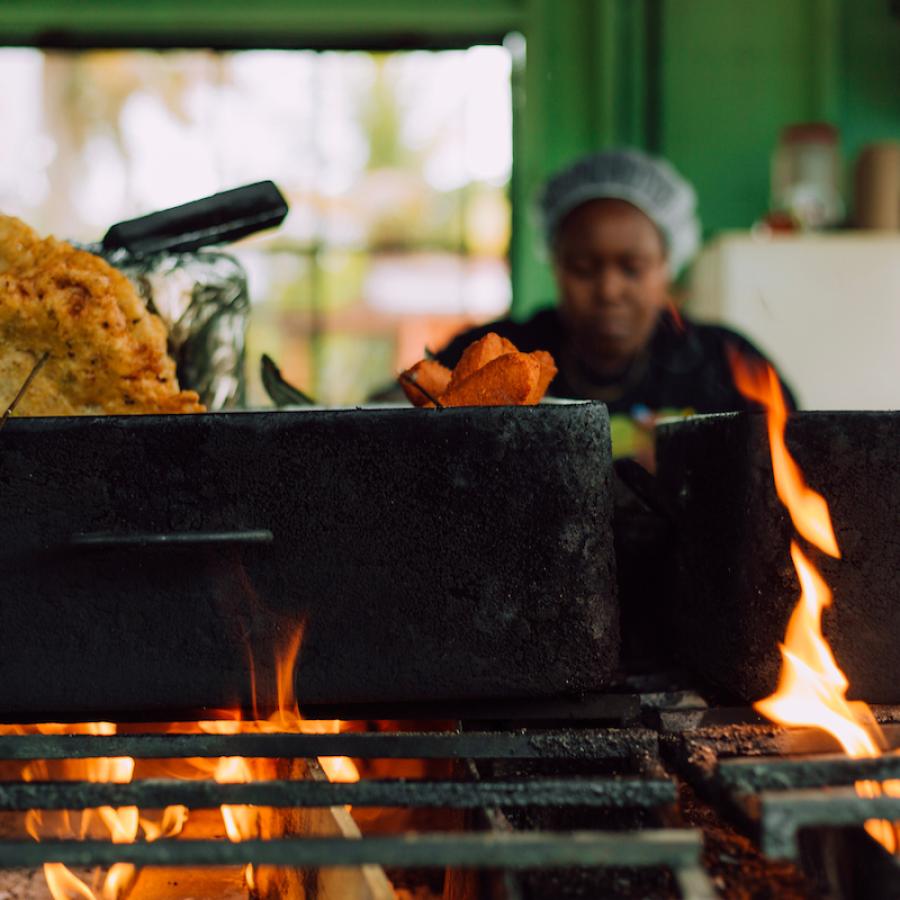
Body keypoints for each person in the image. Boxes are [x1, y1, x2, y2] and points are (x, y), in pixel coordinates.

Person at [435, 149, 795, 462]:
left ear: (666, 267)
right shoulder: (493, 359)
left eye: (632, 268)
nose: (608, 290)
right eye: (583, 268)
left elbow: (792, 478)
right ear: (556, 265)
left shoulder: (728, 365)